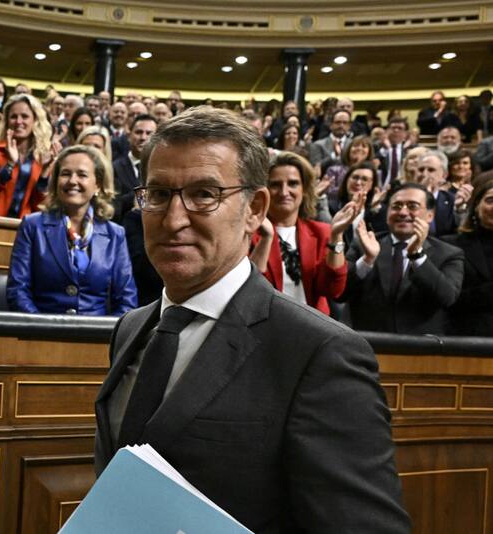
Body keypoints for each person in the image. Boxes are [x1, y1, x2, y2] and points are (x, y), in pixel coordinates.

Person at [93, 106, 409, 532]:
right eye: (159, 193)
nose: (173, 219)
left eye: (204, 194)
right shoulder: (132, 327)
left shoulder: (320, 352)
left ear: (255, 209)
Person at [6, 145, 136, 315]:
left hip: (97, 337)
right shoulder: (32, 226)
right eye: (66, 174)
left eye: (82, 174)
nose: (72, 181)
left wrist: (104, 337)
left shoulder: (115, 234)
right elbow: (17, 291)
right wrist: (41, 330)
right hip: (39, 334)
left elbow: (127, 301)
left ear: (97, 184)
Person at [341, 182, 464, 334]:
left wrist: (417, 256)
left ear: (430, 215)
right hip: (368, 343)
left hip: (421, 348)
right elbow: (340, 292)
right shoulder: (363, 245)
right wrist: (367, 260)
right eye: (396, 206)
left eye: (413, 206)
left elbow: (447, 298)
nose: (403, 212)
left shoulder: (448, 253)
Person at [249, 151, 349, 314]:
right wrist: (266, 239)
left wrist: (336, 236)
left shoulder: (322, 232)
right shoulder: (249, 232)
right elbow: (248, 291)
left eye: (293, 183)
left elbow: (333, 289)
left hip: (313, 329)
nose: (284, 192)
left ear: (304, 189)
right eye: (275, 184)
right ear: (264, 191)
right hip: (264, 327)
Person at [0, 93, 54, 218]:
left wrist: (45, 172)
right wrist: (9, 165)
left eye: (25, 116)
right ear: (7, 121)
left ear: (35, 120)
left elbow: (38, 202)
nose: (19, 122)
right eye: (13, 117)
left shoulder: (43, 155)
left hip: (24, 227)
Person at [443, 180, 493, 335]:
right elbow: (447, 297)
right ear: (476, 206)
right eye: (490, 200)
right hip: (465, 340)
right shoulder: (450, 246)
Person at [111, 114, 156, 222]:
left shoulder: (164, 168)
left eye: (149, 133)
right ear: (129, 136)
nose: (143, 137)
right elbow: (113, 206)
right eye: (138, 132)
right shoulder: (114, 168)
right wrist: (142, 194)